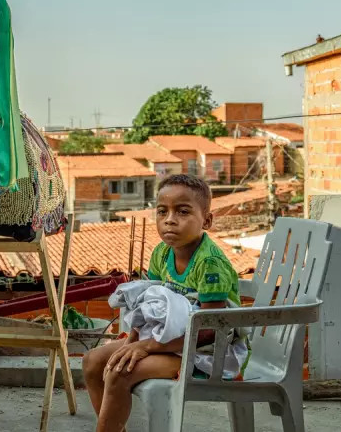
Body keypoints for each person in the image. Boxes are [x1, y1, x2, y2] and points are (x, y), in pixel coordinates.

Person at [82, 174, 241, 432]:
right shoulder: (161, 253)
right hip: (165, 341)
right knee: (93, 361)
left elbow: (210, 330)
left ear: (207, 220)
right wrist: (133, 342)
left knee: (120, 373)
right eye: (162, 211)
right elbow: (147, 304)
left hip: (207, 352)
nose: (170, 220)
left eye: (183, 211)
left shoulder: (210, 264)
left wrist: (147, 347)